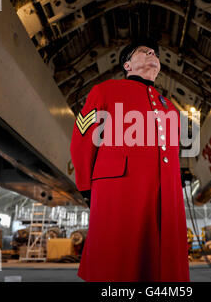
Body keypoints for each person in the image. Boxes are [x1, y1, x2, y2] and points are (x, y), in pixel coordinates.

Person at [70, 39, 190, 282]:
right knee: (119, 261)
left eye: (154, 53)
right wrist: (85, 186)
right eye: (143, 52)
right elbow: (83, 137)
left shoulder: (171, 107)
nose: (151, 53)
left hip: (165, 195)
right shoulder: (105, 90)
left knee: (160, 265)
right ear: (127, 64)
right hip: (119, 188)